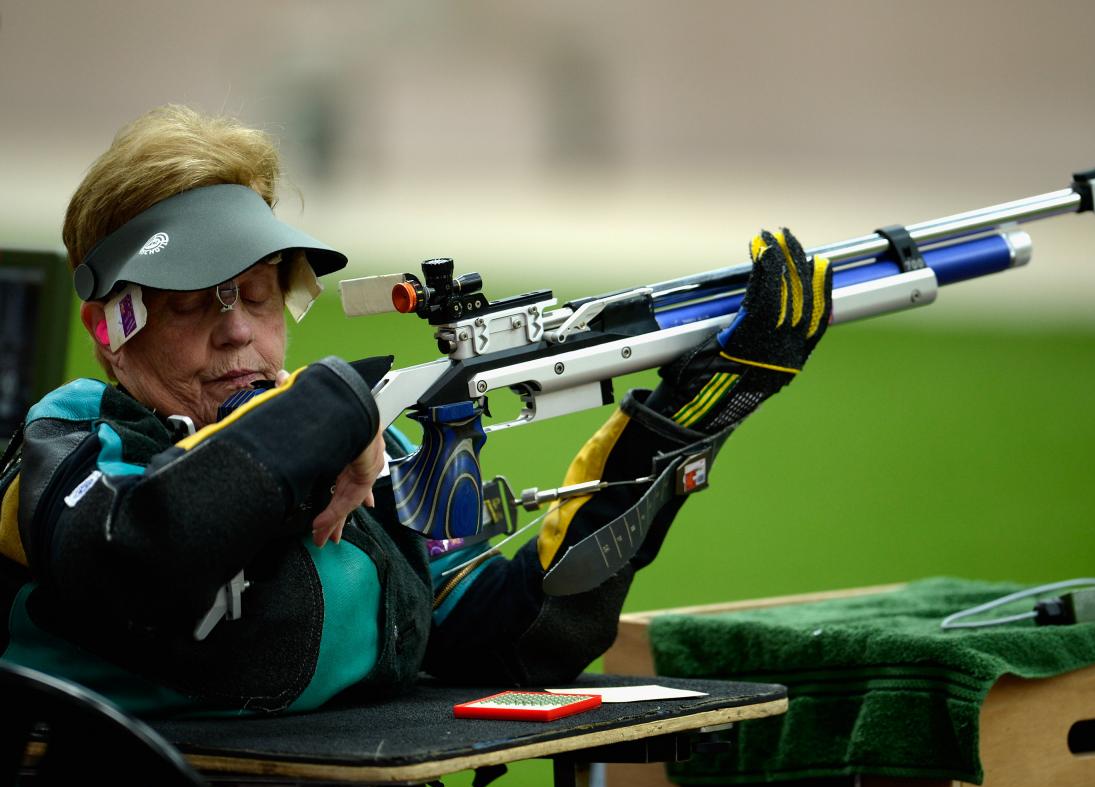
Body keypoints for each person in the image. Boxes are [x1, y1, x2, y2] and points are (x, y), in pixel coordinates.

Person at [0, 105, 830, 715]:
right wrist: (336, 408)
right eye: (194, 306)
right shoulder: (65, 441)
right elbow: (138, 553)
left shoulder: (358, 450)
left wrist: (687, 418)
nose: (238, 334)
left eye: (256, 295)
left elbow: (515, 642)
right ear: (110, 329)